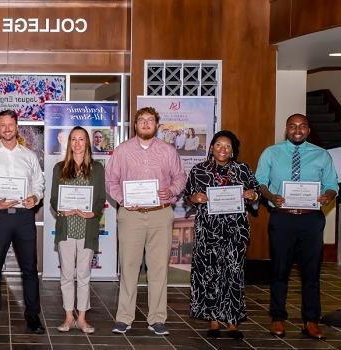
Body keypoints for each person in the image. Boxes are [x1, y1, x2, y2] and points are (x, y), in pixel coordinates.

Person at [104, 107, 186, 335]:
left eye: (151, 120)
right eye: (142, 120)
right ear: (135, 125)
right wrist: (123, 200)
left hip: (160, 214)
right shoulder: (122, 151)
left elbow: (180, 177)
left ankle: (157, 318)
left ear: (157, 125)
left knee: (158, 268)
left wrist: (171, 191)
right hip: (131, 215)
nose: (146, 123)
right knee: (129, 266)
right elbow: (111, 180)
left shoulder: (168, 151)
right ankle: (124, 318)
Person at [255, 114, 338, 340]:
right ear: (286, 129)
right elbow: (259, 182)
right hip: (282, 218)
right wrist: (272, 196)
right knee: (279, 270)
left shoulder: (321, 155)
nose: (297, 130)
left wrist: (327, 196)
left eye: (302, 126)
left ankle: (311, 321)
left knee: (311, 273)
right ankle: (278, 318)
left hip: (311, 220)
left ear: (308, 130)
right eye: (293, 126)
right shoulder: (271, 153)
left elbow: (332, 185)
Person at [0, 109, 46, 334]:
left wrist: (35, 197)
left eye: (10, 125)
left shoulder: (29, 156)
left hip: (25, 217)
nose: (7, 129)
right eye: (2, 125)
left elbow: (38, 184)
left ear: (17, 127)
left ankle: (33, 317)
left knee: (29, 270)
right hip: (0, 218)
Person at [183, 130, 260, 339]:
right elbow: (187, 197)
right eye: (218, 145)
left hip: (236, 231)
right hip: (208, 231)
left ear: (233, 151)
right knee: (209, 273)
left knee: (233, 274)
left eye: (227, 146)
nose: (222, 149)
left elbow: (255, 194)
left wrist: (252, 196)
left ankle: (232, 321)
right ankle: (213, 320)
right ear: (211, 148)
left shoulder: (243, 170)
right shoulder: (199, 170)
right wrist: (194, 198)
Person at [49, 126, 106, 334]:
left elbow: (100, 198)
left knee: (83, 275)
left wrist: (93, 212)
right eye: (73, 139)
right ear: (69, 143)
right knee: (66, 275)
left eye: (81, 139)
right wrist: (60, 207)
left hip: (86, 229)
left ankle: (81, 318)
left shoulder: (98, 168)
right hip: (66, 227)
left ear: (87, 143)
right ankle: (68, 316)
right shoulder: (59, 168)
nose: (77, 143)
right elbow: (54, 199)